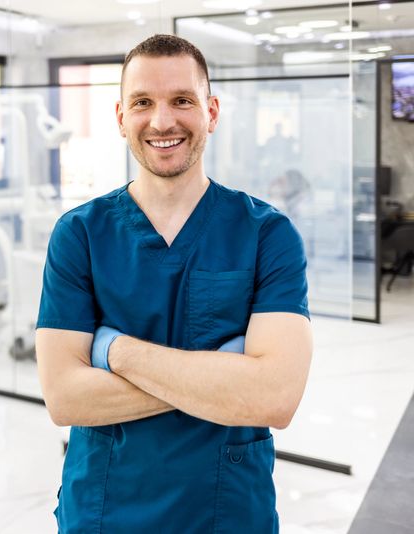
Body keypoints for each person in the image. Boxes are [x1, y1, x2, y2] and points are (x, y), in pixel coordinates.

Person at [35, 34, 313, 532]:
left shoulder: (266, 234)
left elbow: (275, 398)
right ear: (121, 117)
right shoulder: (79, 235)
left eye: (182, 100)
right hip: (106, 510)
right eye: (143, 102)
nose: (162, 121)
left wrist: (114, 352)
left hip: (226, 511)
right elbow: (64, 397)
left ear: (211, 111)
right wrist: (226, 377)